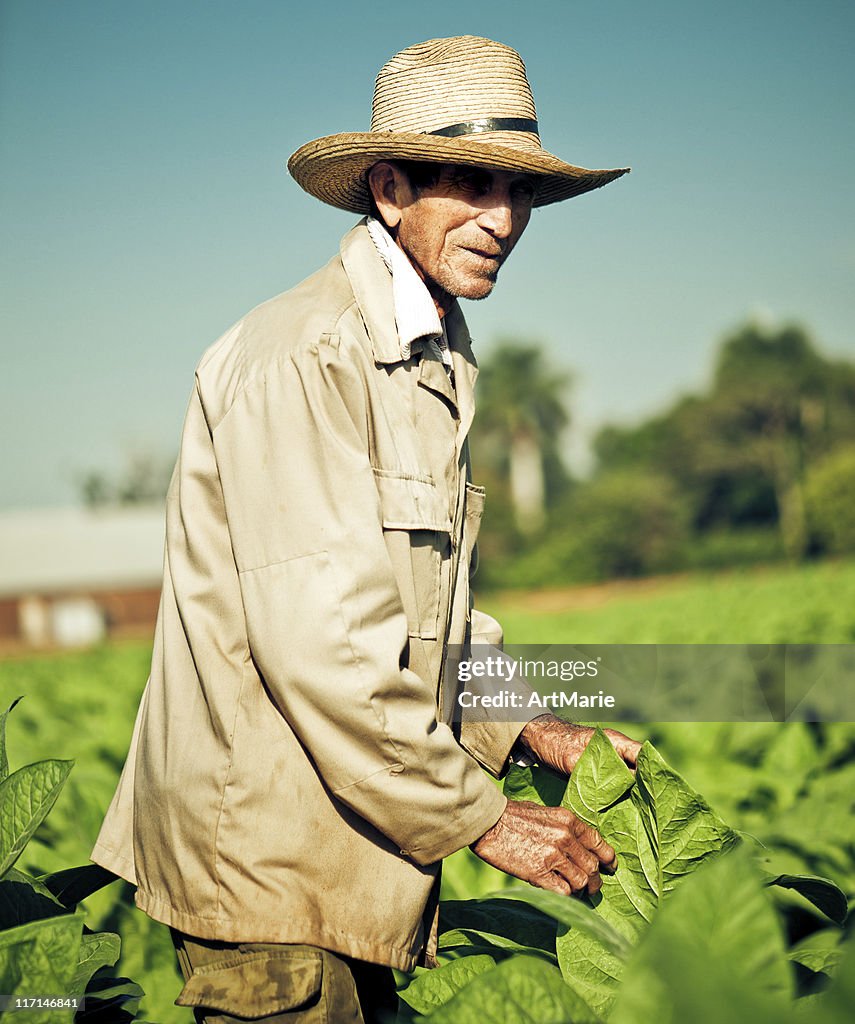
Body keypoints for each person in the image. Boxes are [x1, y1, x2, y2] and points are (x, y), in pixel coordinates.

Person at [91, 35, 640, 1023]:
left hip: (352, 846)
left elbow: (431, 608)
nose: (504, 219)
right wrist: (481, 819)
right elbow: (327, 642)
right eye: (474, 184)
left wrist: (527, 725)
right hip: (266, 863)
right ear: (390, 188)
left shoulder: (432, 356)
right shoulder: (305, 356)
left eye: (520, 195)